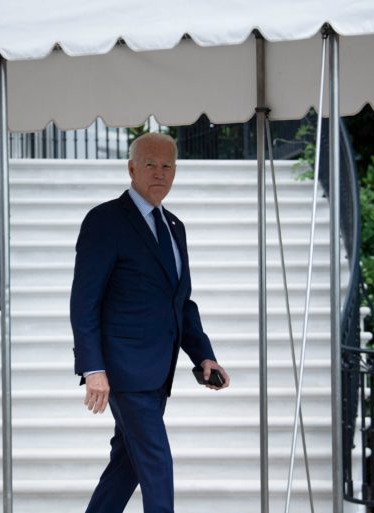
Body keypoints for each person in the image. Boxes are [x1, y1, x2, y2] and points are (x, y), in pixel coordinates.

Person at [70, 132, 230, 513]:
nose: (160, 173)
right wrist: (93, 368)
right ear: (131, 169)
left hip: (159, 373)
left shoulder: (175, 227)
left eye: (167, 166)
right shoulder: (105, 221)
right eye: (150, 165)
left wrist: (204, 356)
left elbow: (180, 303)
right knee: (157, 464)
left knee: (125, 467)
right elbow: (84, 302)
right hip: (123, 371)